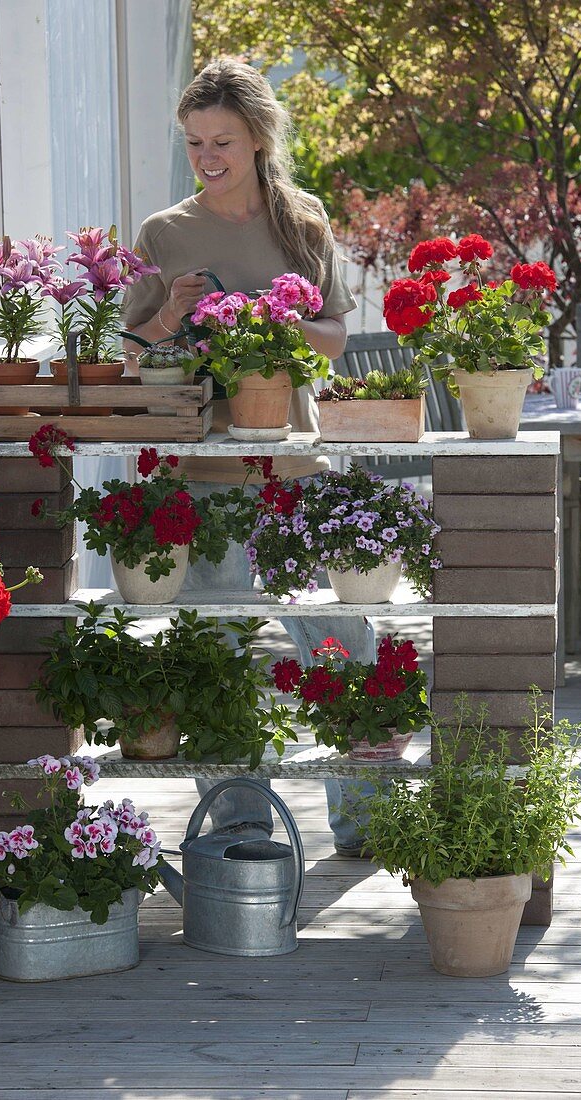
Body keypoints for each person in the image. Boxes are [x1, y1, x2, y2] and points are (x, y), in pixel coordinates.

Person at [121, 58, 375, 854]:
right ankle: (238, 824)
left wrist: (276, 320)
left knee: (343, 643)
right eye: (195, 142)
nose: (207, 156)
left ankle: (363, 818)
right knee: (218, 654)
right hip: (208, 472)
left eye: (222, 140)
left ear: (259, 138)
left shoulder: (303, 221)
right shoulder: (164, 233)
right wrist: (169, 315)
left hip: (297, 465)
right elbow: (130, 358)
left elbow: (334, 336)